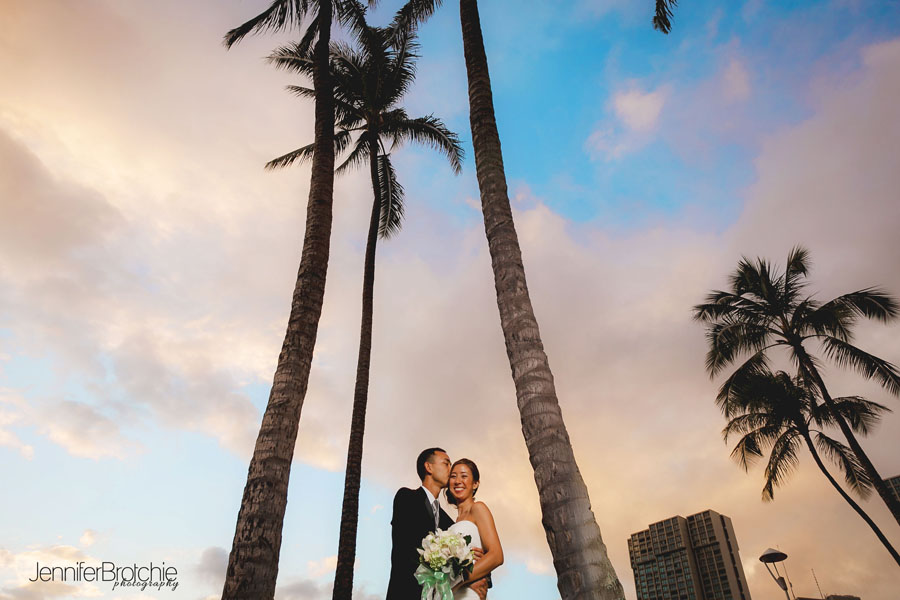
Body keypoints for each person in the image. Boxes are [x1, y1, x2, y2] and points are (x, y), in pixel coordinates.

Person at [386, 448, 489, 600]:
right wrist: (463, 577)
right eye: (446, 464)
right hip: (406, 593)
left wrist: (479, 577)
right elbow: (407, 550)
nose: (451, 469)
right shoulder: (407, 498)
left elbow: (473, 552)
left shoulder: (449, 522)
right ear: (429, 467)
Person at [446, 458, 503, 599]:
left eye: (464, 476)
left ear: (475, 484)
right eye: (453, 476)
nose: (458, 481)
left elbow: (496, 555)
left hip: (467, 592)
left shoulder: (478, 508)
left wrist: (458, 583)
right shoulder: (452, 523)